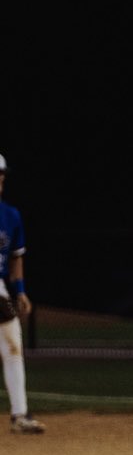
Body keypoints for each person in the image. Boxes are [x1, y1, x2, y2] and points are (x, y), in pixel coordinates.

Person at [0, 154, 45, 435]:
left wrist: (20, 291)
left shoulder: (10, 215)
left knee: (13, 347)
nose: (1, 181)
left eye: (2, 176)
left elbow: (16, 257)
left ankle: (20, 414)